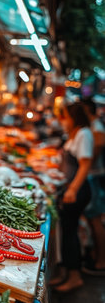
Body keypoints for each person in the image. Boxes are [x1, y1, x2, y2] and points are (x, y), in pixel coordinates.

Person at [50, 102, 93, 292]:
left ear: (74, 117)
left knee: (70, 232)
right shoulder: (76, 133)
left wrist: (73, 189)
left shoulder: (84, 134)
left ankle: (74, 277)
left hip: (78, 191)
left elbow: (85, 164)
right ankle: (64, 273)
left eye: (65, 116)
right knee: (66, 230)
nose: (63, 121)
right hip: (69, 189)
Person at [81, 98, 105, 274]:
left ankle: (101, 261)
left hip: (94, 178)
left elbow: (92, 156)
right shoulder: (93, 126)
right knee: (92, 218)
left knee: (96, 219)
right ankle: (97, 255)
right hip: (92, 177)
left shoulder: (96, 127)